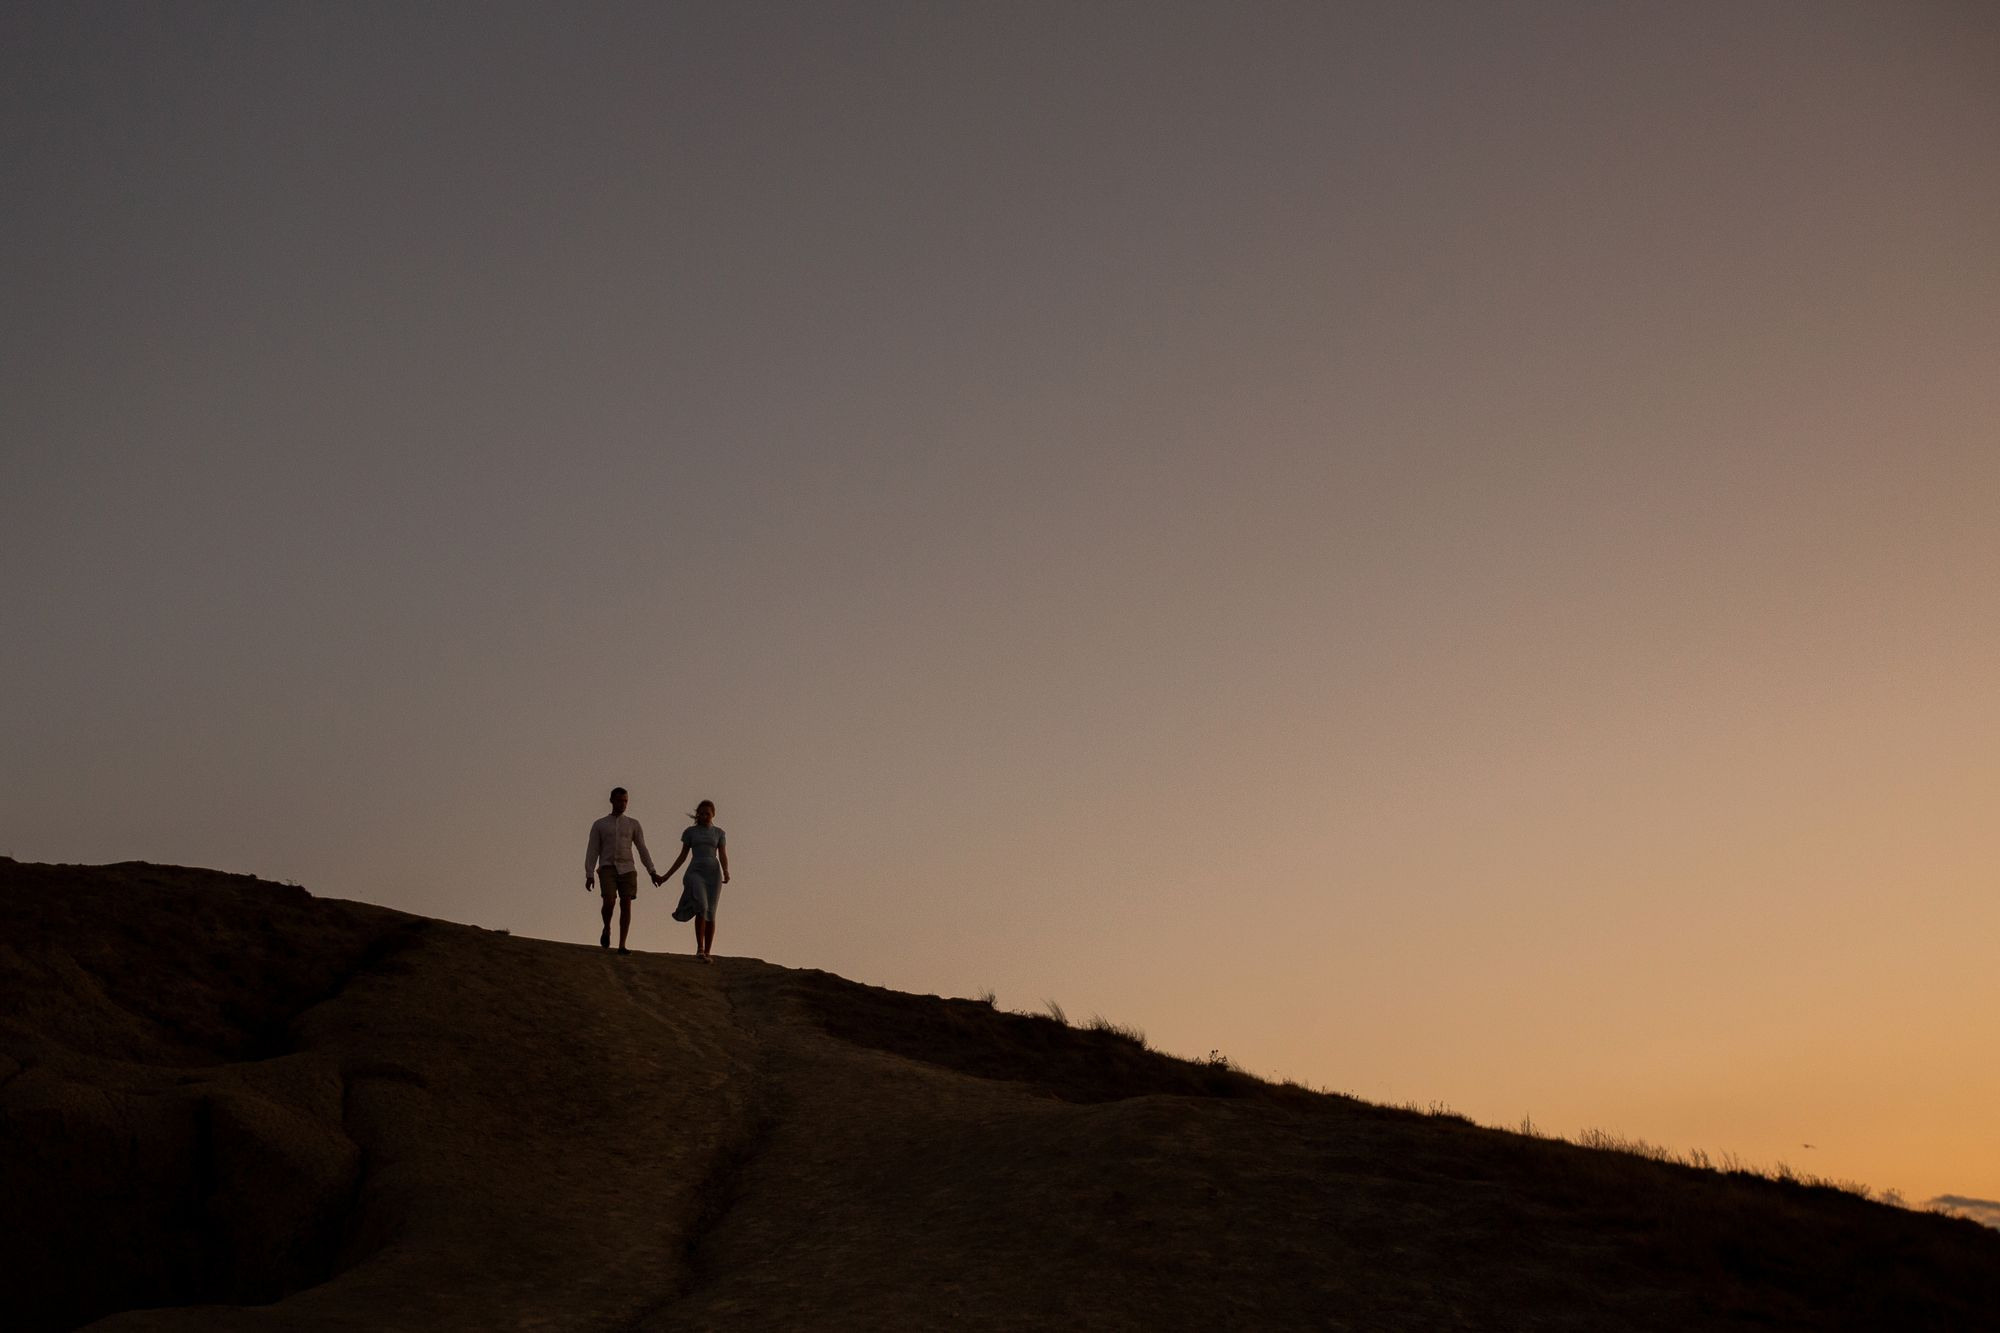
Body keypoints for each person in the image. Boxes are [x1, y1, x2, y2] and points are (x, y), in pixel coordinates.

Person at [584, 787, 662, 955]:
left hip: (628, 868)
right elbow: (593, 849)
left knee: (626, 904)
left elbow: (642, 848)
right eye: (620, 800)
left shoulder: (633, 824)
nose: (623, 804)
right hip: (607, 867)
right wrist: (589, 873)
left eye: (625, 801)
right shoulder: (600, 824)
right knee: (609, 901)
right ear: (612, 801)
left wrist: (652, 871)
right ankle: (606, 927)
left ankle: (622, 944)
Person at [664, 799, 729, 962]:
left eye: (708, 813)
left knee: (711, 912)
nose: (704, 816)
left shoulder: (719, 833)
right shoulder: (690, 832)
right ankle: (699, 948)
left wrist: (726, 870)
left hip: (713, 874)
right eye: (701, 813)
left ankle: (708, 951)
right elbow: (682, 856)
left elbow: (722, 854)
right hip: (695, 872)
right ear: (697, 815)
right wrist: (666, 876)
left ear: (713, 814)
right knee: (702, 906)